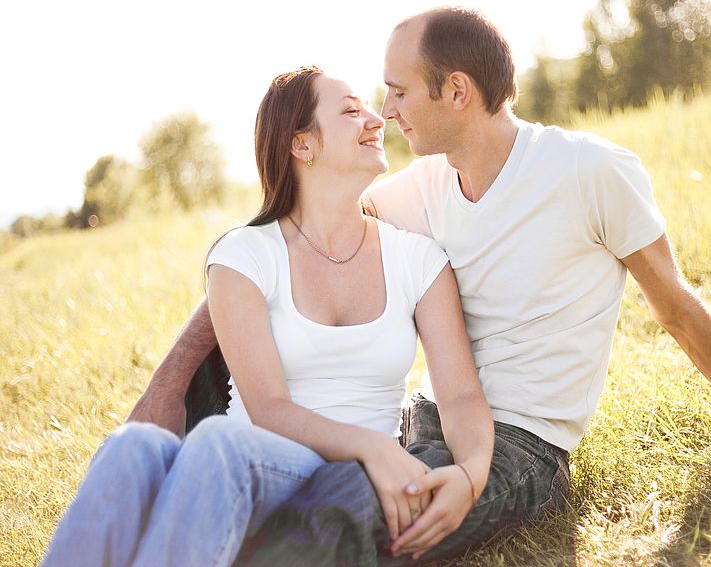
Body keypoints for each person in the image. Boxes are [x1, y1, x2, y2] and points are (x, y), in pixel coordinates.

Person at [128, 8, 711, 565]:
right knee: (249, 387)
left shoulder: (589, 172)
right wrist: (164, 387)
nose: (385, 112)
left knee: (330, 519)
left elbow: (674, 307)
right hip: (419, 419)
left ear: (456, 91)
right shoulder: (423, 188)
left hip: (521, 449)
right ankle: (162, 496)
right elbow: (282, 249)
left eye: (398, 92)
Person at [41, 65, 493, 567]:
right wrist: (374, 446)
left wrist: (472, 474)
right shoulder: (243, 255)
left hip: (336, 479)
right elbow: (268, 409)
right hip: (260, 460)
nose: (376, 118)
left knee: (214, 443)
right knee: (132, 448)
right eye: (350, 110)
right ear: (303, 145)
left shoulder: (418, 258)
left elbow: (461, 394)